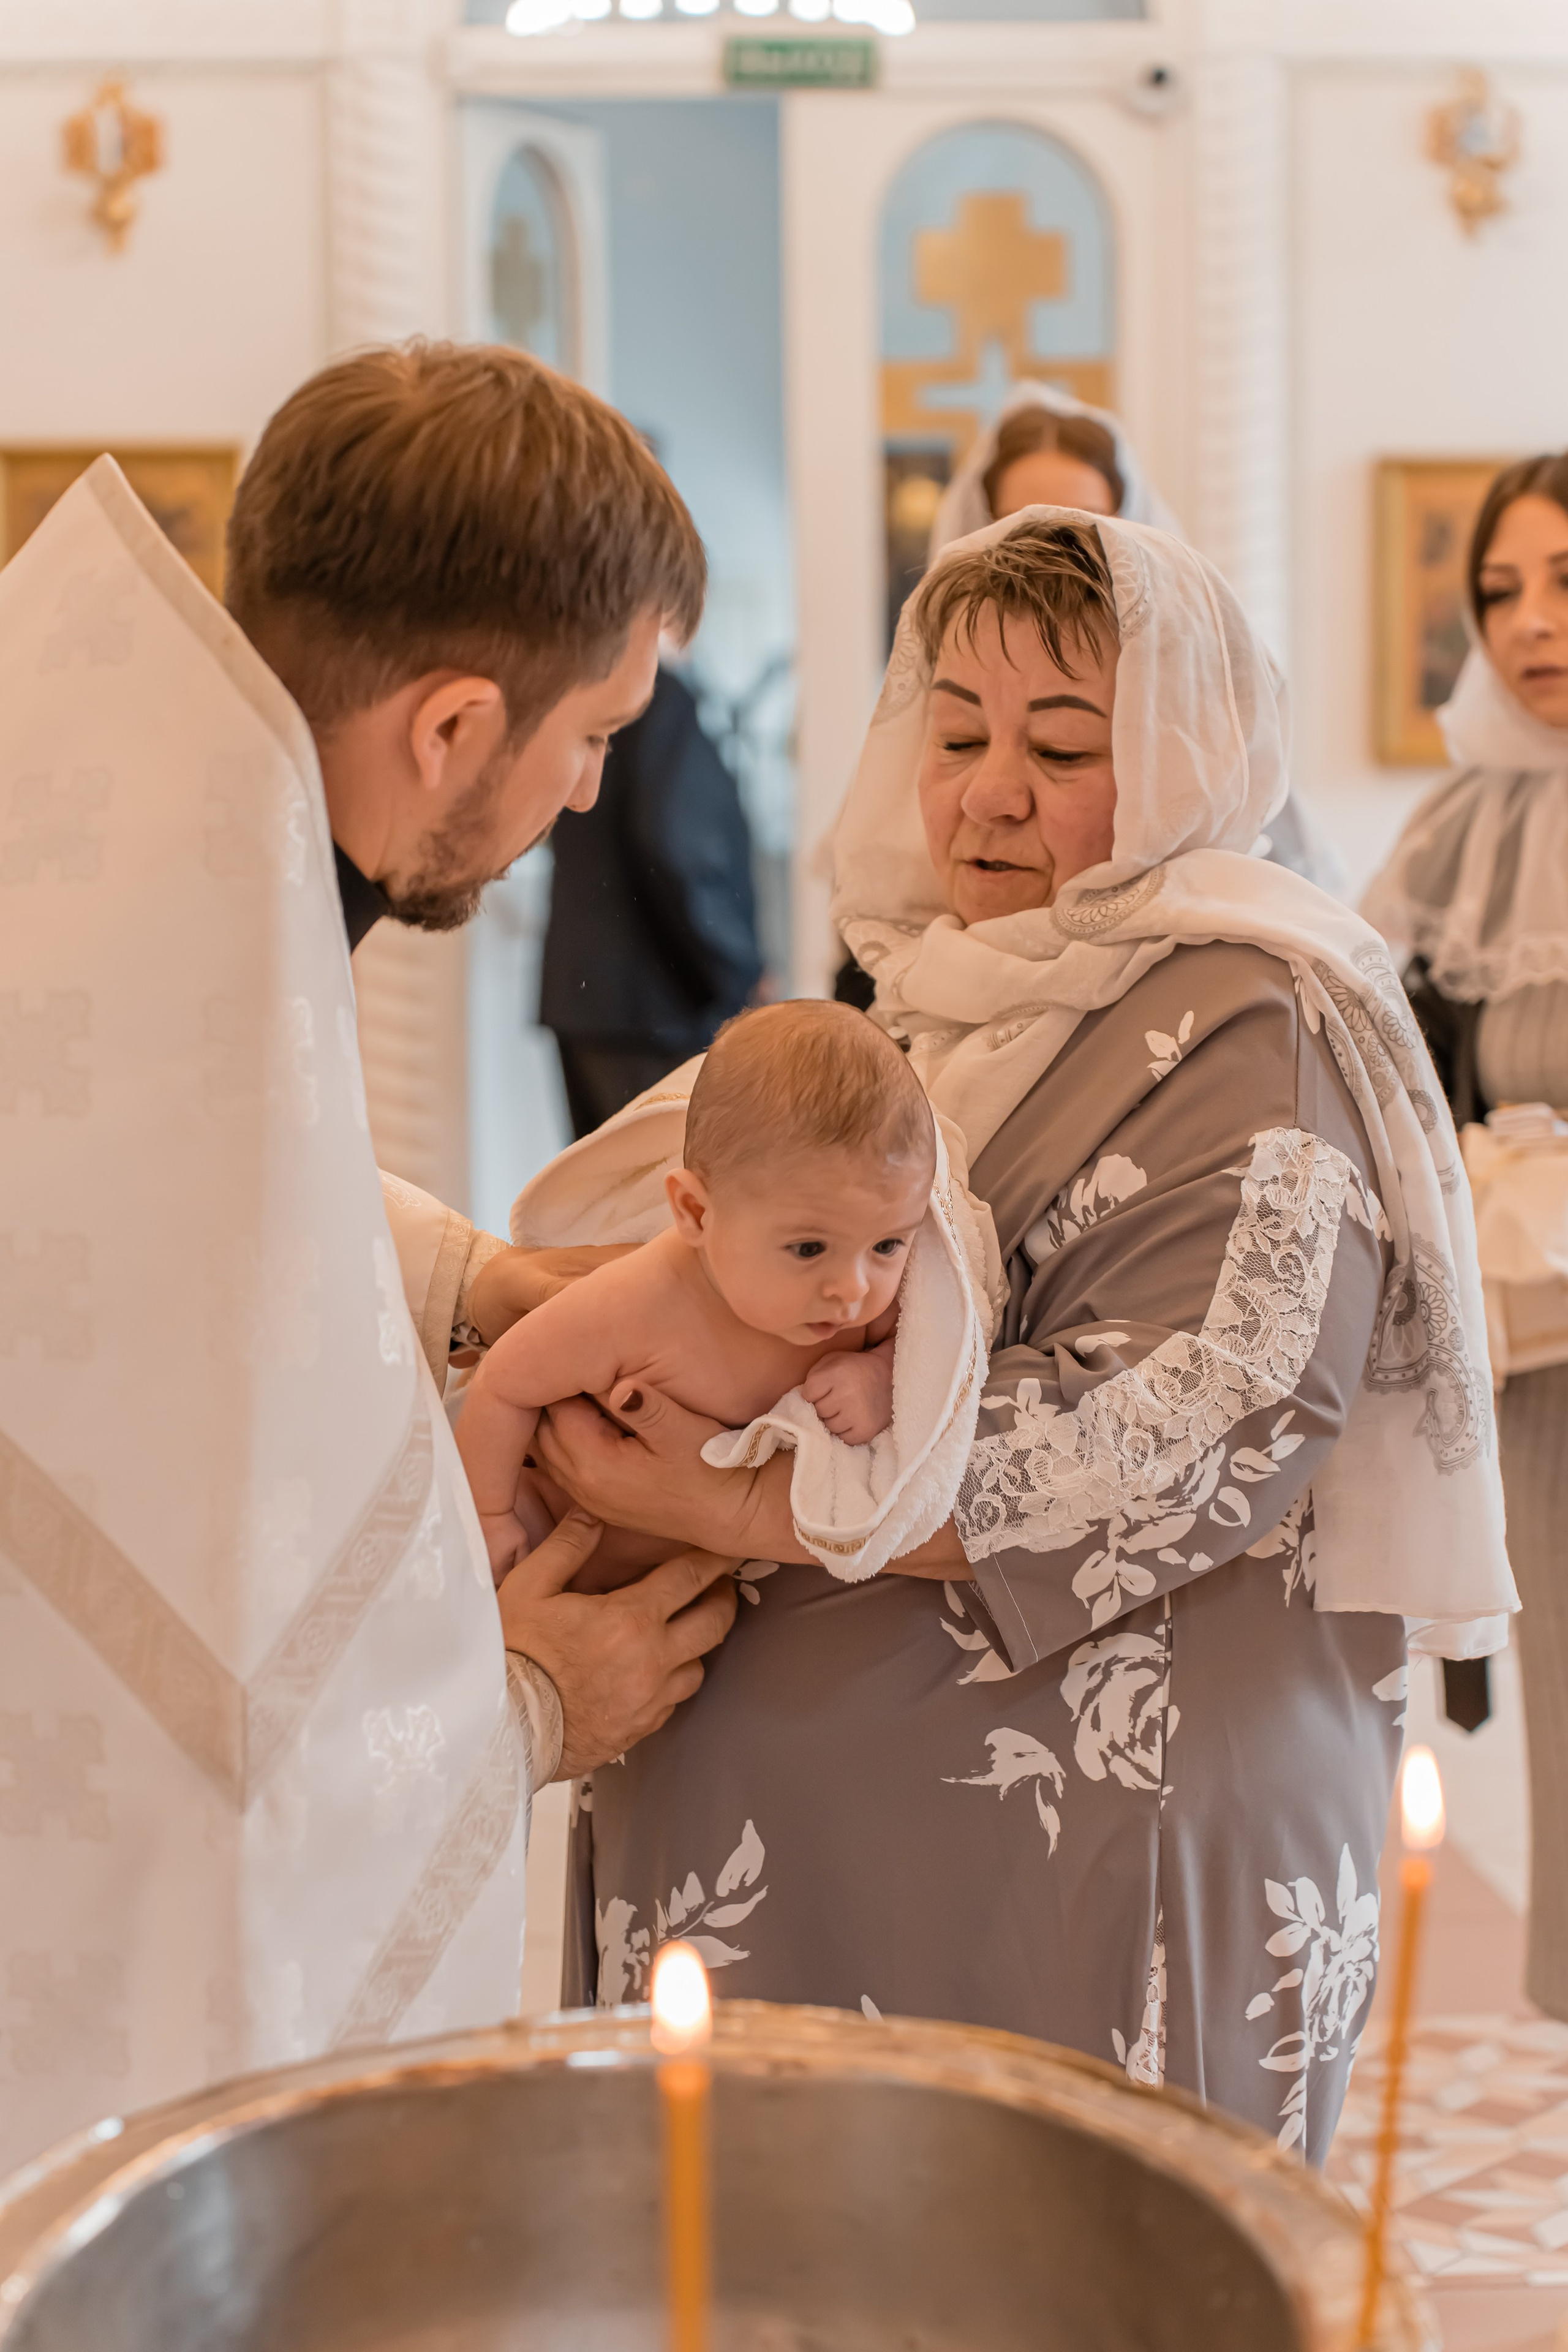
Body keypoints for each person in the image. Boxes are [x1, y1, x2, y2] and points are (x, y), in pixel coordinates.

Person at [516, 510, 1514, 2164]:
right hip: (803, 1846)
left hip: (1088, 1850)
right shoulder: (923, 1004)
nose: (989, 790)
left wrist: (739, 1508)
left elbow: (1203, 1417)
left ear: (1191, 763)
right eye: (958, 733)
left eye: (1063, 746)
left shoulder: (1263, 1026)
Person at [0, 343, 738, 2169]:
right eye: (591, 736)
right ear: (450, 727)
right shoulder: (198, 927)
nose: (583, 798)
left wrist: (469, 1280)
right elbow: (149, 1727)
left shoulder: (120, 827)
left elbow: (141, 1208)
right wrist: (523, 1708)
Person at [1363, 452, 1568, 2015]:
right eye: (1496, 590)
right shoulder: (1457, 831)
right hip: (1539, 1342)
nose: (1526, 622)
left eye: (1561, 579)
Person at [459, 1002, 935, 1581]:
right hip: (556, 1525)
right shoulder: (630, 1306)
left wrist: (881, 1377)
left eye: (888, 1245)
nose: (853, 1289)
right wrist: (490, 1514)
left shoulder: (867, 1310)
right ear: (695, 1213)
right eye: (809, 1249)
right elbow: (504, 1384)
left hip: (698, 1578)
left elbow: (930, 1351)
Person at [540, 665, 763, 1138]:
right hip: (655, 1006)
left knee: (598, 1200)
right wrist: (738, 974)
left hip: (585, 996)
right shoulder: (654, 695)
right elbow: (677, 848)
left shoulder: (576, 679)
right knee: (665, 1200)